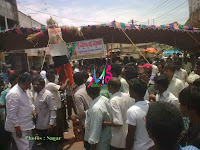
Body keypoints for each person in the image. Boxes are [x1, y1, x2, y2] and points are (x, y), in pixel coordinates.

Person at [5, 73, 35, 150]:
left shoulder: (25, 90)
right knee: (24, 147)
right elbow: (11, 114)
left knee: (30, 143)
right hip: (19, 126)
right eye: (27, 84)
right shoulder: (13, 94)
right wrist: (17, 128)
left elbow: (29, 103)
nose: (29, 86)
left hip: (28, 123)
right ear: (20, 82)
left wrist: (33, 109)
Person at [104, 77, 133, 150]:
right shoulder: (126, 96)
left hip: (118, 140)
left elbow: (118, 123)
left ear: (110, 86)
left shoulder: (114, 100)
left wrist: (104, 123)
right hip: (128, 134)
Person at [126, 78, 154, 150]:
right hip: (151, 146)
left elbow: (130, 136)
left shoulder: (132, 111)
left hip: (139, 147)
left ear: (133, 92)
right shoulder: (150, 105)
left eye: (130, 89)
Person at [84, 82, 111, 150]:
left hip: (100, 144)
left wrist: (92, 147)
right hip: (107, 137)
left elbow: (95, 131)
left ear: (88, 92)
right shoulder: (104, 99)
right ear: (100, 89)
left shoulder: (96, 109)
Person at [32, 76, 57, 150]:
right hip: (40, 125)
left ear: (42, 85)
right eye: (34, 84)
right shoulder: (36, 94)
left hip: (48, 126)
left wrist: (51, 123)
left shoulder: (48, 95)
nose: (35, 86)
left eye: (37, 84)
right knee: (44, 145)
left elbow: (53, 109)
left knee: (52, 145)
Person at [46, 70, 67, 140]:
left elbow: (58, 80)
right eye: (53, 77)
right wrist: (67, 81)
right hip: (56, 107)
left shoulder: (52, 83)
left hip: (58, 106)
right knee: (58, 124)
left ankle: (60, 138)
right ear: (49, 78)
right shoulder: (50, 85)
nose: (54, 79)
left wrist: (63, 71)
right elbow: (62, 88)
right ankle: (59, 139)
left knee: (60, 123)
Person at [0, 73, 19, 150]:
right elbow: (1, 103)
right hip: (10, 119)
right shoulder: (7, 92)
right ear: (14, 81)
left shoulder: (21, 90)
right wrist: (9, 105)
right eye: (18, 79)